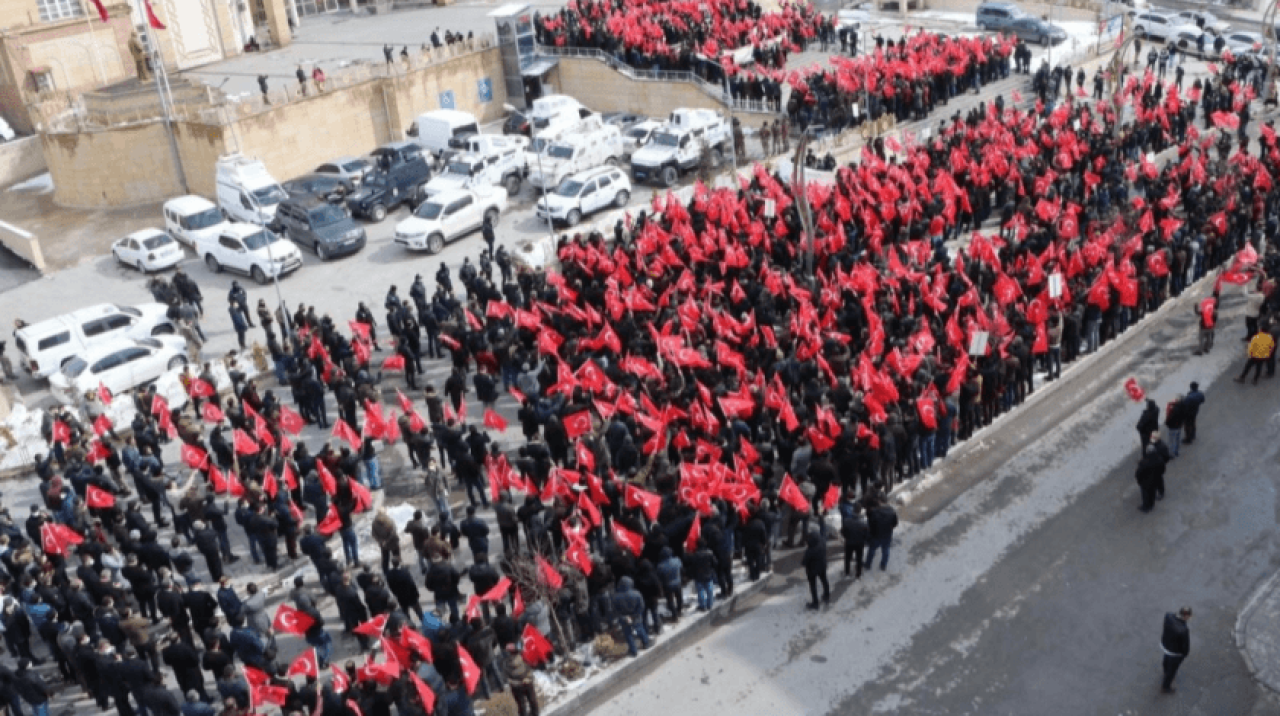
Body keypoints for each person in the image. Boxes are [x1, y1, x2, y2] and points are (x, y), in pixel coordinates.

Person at [1160, 607, 1192, 693]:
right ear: (1186, 616)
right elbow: (1185, 646)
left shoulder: (1168, 616)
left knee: (1166, 658)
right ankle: (1166, 687)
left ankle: (1165, 669)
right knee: (1172, 670)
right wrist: (1185, 654)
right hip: (1175, 652)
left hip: (1165, 645)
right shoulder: (1184, 630)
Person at [503, 642, 539, 716]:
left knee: (521, 705)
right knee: (532, 701)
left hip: (517, 687)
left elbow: (507, 678)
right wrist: (528, 678)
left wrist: (517, 682)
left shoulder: (505, 664)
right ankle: (535, 714)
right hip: (527, 683)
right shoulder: (523, 657)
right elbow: (529, 667)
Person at [864, 498, 898, 572]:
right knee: (886, 550)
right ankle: (883, 565)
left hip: (876, 536)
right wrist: (889, 528)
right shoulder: (892, 511)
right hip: (887, 535)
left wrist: (871, 534)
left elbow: (871, 525)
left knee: (872, 550)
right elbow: (895, 523)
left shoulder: (875, 513)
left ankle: (868, 564)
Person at [801, 528, 829, 609]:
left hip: (812, 570)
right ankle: (826, 594)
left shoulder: (809, 551)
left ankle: (815, 603)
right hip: (822, 566)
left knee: (813, 586)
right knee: (824, 580)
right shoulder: (822, 543)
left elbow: (804, 562)